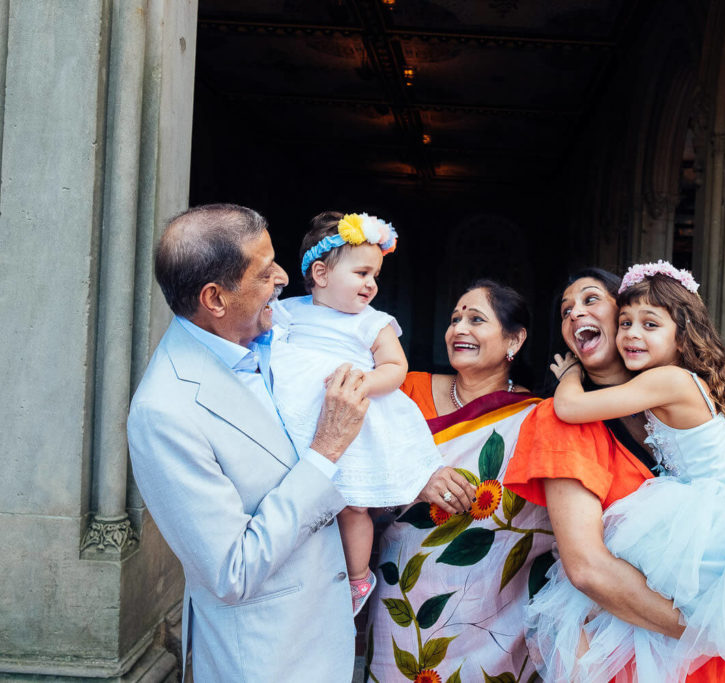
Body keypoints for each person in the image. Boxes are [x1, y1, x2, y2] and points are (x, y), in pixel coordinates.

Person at [533, 261, 725, 682]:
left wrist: (569, 375)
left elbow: (571, 406)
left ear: (682, 336)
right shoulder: (681, 382)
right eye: (627, 322)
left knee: (688, 600)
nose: (632, 334)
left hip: (715, 513)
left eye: (649, 324)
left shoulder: (667, 381)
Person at [127, 204, 370, 681]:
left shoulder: (279, 340)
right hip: (265, 659)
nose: (283, 276)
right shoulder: (165, 411)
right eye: (264, 272)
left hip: (324, 637)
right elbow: (231, 570)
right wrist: (325, 453)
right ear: (215, 298)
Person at [505, 267, 725, 683]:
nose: (575, 314)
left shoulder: (662, 404)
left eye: (591, 300)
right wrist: (710, 634)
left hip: (705, 635)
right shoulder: (564, 419)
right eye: (565, 310)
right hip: (643, 644)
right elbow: (587, 568)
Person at [365, 281, 555, 683]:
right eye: (455, 319)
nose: (459, 329)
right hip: (405, 592)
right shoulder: (406, 390)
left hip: (496, 606)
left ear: (514, 340)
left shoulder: (537, 417)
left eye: (476, 319)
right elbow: (357, 469)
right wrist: (415, 479)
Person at [270, 211, 443, 614]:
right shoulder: (289, 311)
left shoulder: (372, 323)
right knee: (301, 495)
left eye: (375, 275)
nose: (371, 284)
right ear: (321, 273)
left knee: (354, 504)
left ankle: (357, 577)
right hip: (301, 418)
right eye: (362, 272)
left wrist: (364, 382)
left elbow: (395, 368)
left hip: (355, 417)